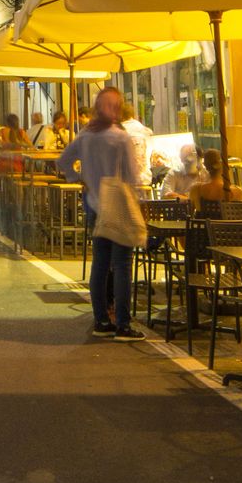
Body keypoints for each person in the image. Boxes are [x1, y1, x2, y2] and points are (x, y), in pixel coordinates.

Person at [60, 88, 146, 342]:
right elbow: (132, 176)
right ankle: (123, 324)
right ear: (117, 108)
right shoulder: (121, 138)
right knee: (121, 266)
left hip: (94, 206)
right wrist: (138, 204)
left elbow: (63, 161)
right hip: (118, 206)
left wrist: (80, 179)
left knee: (100, 264)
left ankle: (101, 320)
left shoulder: (85, 135)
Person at [184, 147, 242, 215]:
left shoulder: (196, 190)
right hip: (226, 225)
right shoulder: (237, 192)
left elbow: (189, 215)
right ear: (223, 165)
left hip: (205, 225)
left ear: (205, 165)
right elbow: (240, 218)